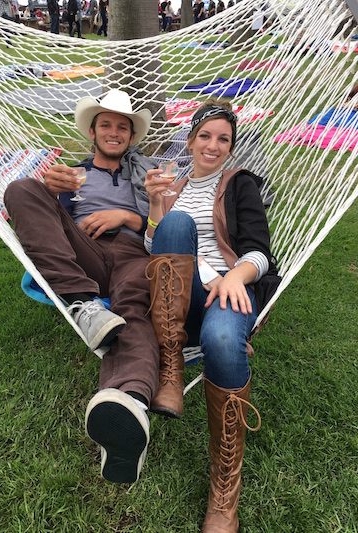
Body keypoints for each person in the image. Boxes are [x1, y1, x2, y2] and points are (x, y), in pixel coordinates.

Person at [4, 89, 160, 485]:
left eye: (122, 127)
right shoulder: (73, 173)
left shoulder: (146, 174)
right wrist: (50, 190)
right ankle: (84, 304)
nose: (113, 132)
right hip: (85, 252)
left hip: (132, 252)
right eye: (105, 124)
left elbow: (166, 226)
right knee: (22, 188)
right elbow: (47, 225)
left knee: (134, 306)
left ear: (130, 137)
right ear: (92, 132)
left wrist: (125, 214)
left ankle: (130, 404)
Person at [143, 99, 281, 532]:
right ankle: (171, 370)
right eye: (205, 135)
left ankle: (224, 489)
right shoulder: (175, 186)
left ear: (231, 148)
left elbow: (261, 253)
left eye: (224, 139)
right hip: (177, 299)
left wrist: (235, 277)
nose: (213, 145)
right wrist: (155, 206)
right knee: (177, 223)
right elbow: (155, 249)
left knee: (223, 341)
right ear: (189, 140)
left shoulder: (239, 185)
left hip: (226, 289)